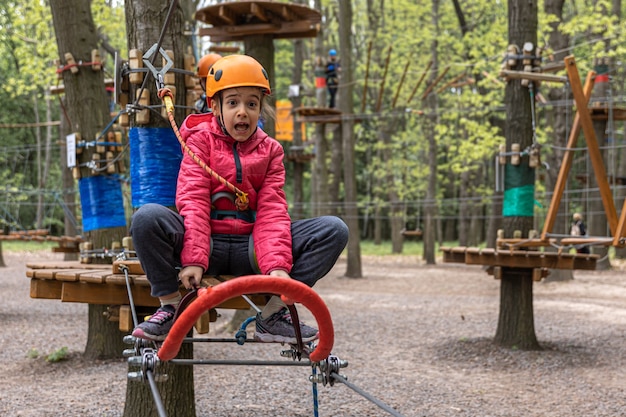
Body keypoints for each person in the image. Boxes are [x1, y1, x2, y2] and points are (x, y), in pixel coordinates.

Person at [130, 54, 349, 343]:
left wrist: (278, 268)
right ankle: (170, 307)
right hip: (205, 244)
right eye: (233, 102)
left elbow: (272, 211)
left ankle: (274, 313)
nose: (242, 111)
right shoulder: (199, 142)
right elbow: (193, 199)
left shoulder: (271, 152)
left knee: (333, 230)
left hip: (252, 248)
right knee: (147, 218)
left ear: (261, 110)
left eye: (252, 103)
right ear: (216, 107)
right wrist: (194, 259)